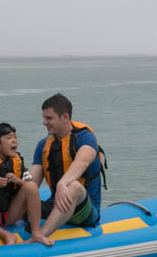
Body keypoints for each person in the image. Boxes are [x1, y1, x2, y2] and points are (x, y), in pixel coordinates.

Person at [30, 93, 104, 236]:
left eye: (49, 118)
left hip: (84, 211)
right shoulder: (43, 145)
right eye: (44, 118)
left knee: (74, 187)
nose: (44, 122)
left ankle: (41, 235)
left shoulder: (85, 138)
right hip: (56, 205)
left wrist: (62, 183)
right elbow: (32, 184)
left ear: (65, 117)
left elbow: (83, 161)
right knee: (25, 190)